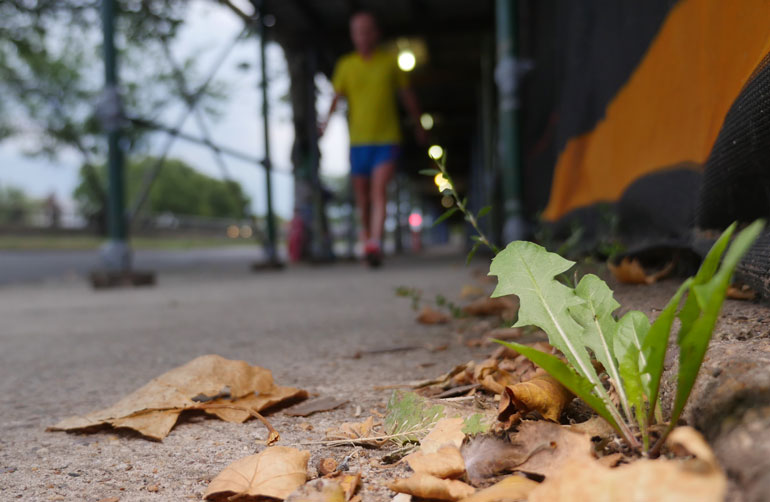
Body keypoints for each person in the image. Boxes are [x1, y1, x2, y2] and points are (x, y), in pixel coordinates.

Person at [319, 11, 426, 267]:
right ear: (352, 36)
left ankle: (375, 243)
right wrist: (325, 123)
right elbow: (336, 98)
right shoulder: (346, 65)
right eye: (358, 31)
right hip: (358, 141)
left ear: (376, 33)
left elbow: (407, 95)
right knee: (363, 197)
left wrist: (419, 124)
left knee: (379, 190)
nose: (363, 36)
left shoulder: (390, 63)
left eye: (367, 30)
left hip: (387, 139)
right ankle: (368, 239)